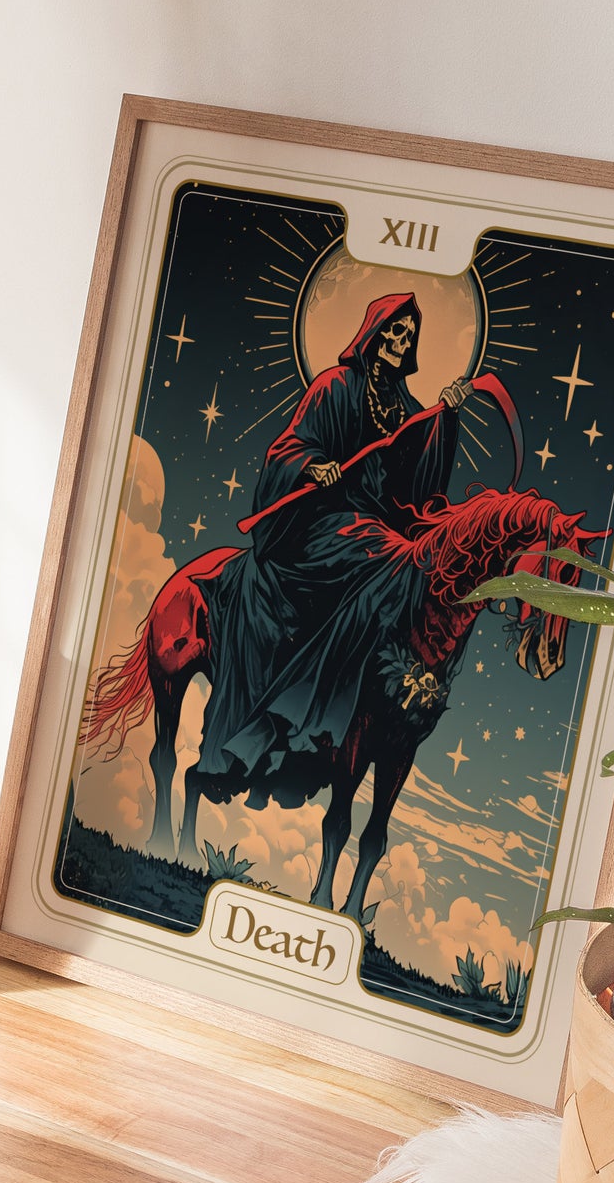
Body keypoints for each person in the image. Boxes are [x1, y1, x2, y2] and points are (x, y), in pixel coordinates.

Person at [191, 293, 473, 809]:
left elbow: (420, 488)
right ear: (373, 332)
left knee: (404, 566)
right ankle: (289, 715)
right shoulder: (334, 386)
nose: (400, 342)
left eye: (409, 336)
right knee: (386, 558)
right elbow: (289, 446)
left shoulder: (410, 411)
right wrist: (312, 465)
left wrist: (445, 421)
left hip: (377, 529)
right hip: (319, 524)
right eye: (393, 330)